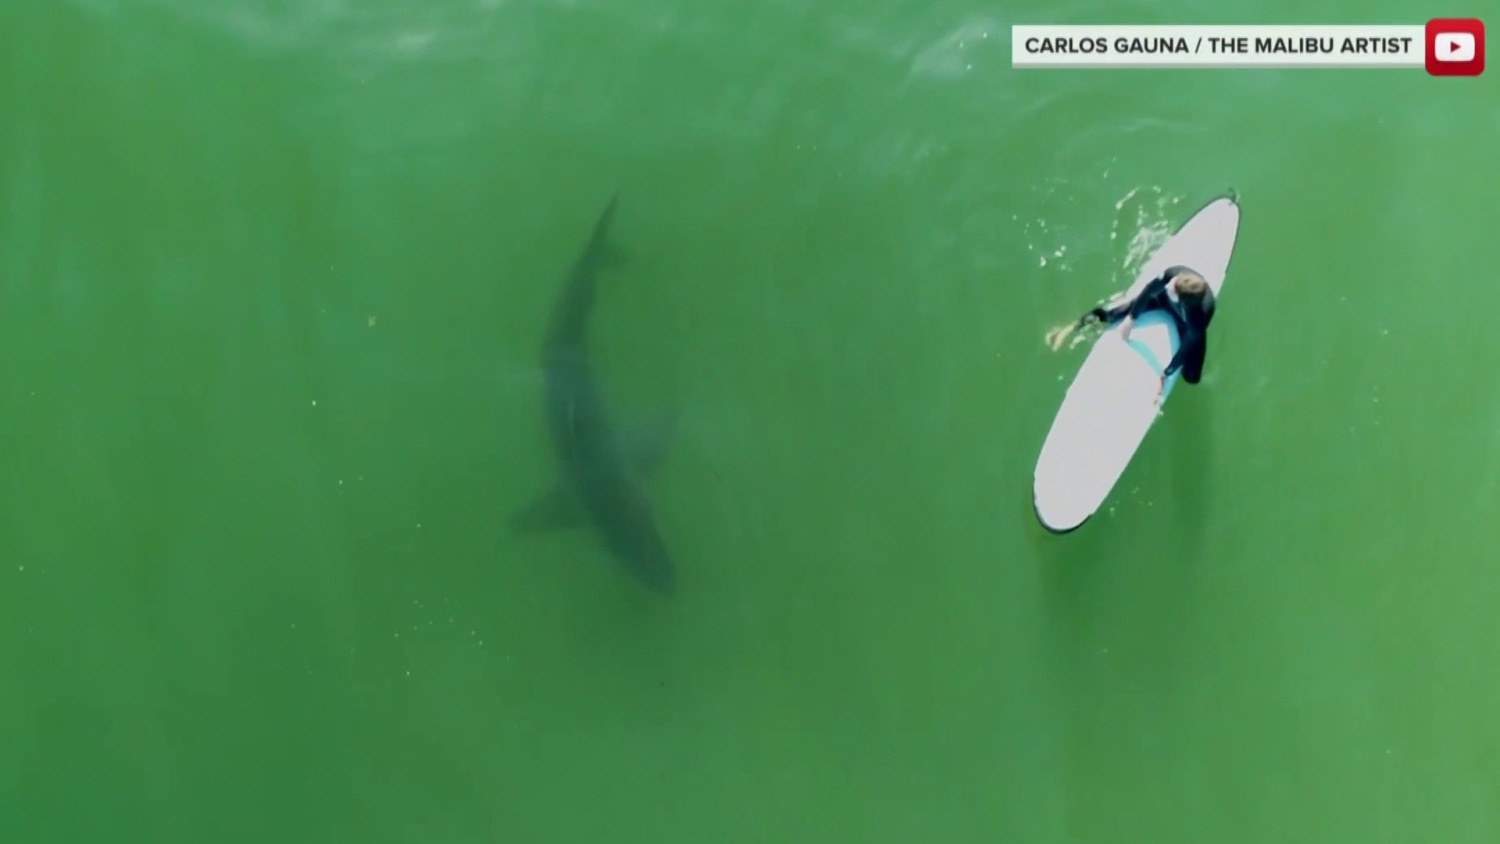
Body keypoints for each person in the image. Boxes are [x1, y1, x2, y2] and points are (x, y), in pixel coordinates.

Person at [1045, 266, 1216, 402]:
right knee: (1112, 313)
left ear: (1183, 300)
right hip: (1160, 300)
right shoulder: (1174, 274)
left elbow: (1187, 345)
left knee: (1191, 377)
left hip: (1184, 323)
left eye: (1172, 288)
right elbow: (1149, 290)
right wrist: (1130, 319)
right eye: (1172, 282)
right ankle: (1070, 328)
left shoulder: (1200, 317)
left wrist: (1166, 373)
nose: (1168, 284)